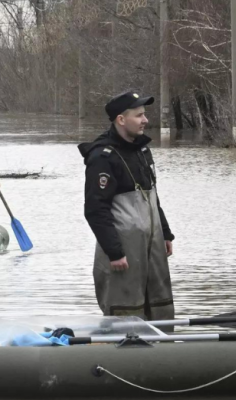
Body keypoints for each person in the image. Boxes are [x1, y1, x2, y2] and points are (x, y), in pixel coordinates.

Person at [77, 91, 175, 322]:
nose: (145, 120)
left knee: (160, 306)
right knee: (125, 311)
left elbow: (152, 197)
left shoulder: (142, 150)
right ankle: (121, 356)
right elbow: (95, 209)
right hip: (123, 251)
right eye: (139, 115)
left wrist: (166, 233)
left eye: (145, 115)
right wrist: (115, 252)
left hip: (151, 245)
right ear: (121, 119)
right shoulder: (103, 157)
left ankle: (164, 353)